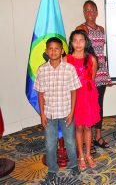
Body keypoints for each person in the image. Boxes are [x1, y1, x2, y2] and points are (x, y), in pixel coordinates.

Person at [34, 37, 81, 182]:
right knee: (50, 144)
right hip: (49, 115)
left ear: (62, 51)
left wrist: (72, 112)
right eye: (50, 49)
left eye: (56, 48)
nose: (53, 51)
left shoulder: (69, 69)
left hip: (66, 113)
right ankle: (52, 169)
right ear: (46, 51)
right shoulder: (42, 70)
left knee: (70, 143)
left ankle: (73, 165)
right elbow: (40, 95)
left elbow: (74, 91)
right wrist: (42, 115)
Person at [76, 0, 111, 149]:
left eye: (92, 10)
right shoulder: (81, 28)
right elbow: (78, 50)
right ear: (84, 13)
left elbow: (101, 51)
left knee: (99, 105)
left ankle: (98, 136)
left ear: (97, 13)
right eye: (86, 11)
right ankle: (86, 139)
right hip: (88, 72)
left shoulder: (101, 29)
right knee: (87, 105)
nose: (90, 13)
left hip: (101, 71)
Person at [65, 30, 100, 170]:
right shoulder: (66, 59)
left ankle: (88, 154)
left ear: (86, 42)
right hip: (75, 96)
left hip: (88, 96)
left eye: (81, 40)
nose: (78, 43)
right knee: (78, 126)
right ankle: (80, 155)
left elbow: (92, 78)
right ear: (71, 43)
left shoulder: (91, 58)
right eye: (75, 40)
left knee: (88, 126)